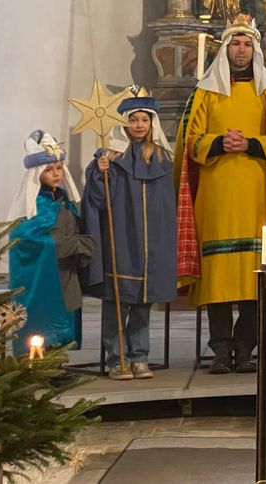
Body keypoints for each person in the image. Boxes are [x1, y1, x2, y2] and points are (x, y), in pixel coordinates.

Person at [173, 15, 266, 374]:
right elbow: (189, 141)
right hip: (216, 192)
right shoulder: (205, 93)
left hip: (256, 193)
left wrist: (253, 142)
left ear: (254, 49)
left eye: (246, 44)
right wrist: (217, 142)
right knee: (220, 278)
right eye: (235, 43)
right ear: (224, 49)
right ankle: (221, 349)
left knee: (255, 276)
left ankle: (246, 348)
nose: (240, 50)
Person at [81, 88, 177, 380]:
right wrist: (99, 173)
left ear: (152, 123)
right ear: (123, 122)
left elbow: (165, 203)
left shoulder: (161, 158)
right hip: (121, 238)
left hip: (151, 241)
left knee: (142, 302)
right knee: (117, 300)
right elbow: (96, 201)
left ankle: (139, 357)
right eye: (133, 119)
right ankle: (115, 358)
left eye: (144, 120)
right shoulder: (109, 157)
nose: (138, 125)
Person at [8, 131, 95, 356]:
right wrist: (71, 245)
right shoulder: (33, 204)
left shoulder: (64, 199)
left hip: (65, 272)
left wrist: (79, 245)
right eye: (48, 169)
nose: (56, 174)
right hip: (42, 275)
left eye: (58, 168)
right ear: (37, 173)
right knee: (43, 319)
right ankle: (36, 366)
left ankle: (57, 364)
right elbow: (24, 239)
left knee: (64, 315)